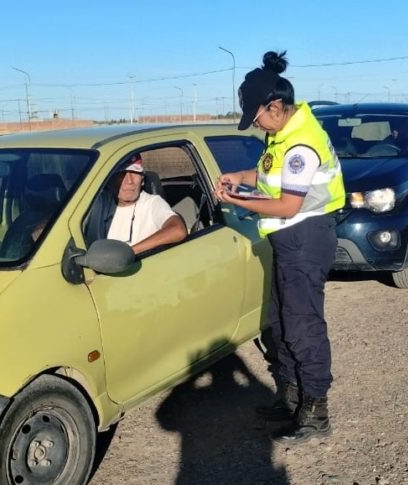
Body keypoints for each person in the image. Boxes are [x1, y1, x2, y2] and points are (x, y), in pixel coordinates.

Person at [214, 51, 346, 444]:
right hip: (289, 240)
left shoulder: (301, 144)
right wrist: (240, 177)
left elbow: (288, 205)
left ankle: (315, 410)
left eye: (256, 116)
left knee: (303, 324)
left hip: (305, 238)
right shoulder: (281, 135)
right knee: (281, 319)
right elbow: (267, 174)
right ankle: (290, 398)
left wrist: (237, 200)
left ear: (275, 106)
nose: (254, 123)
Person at [86, 154, 187, 254]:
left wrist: (129, 253)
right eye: (122, 174)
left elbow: (178, 230)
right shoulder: (100, 203)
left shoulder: (152, 203)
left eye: (135, 173)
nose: (129, 181)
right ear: (111, 180)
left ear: (142, 180)